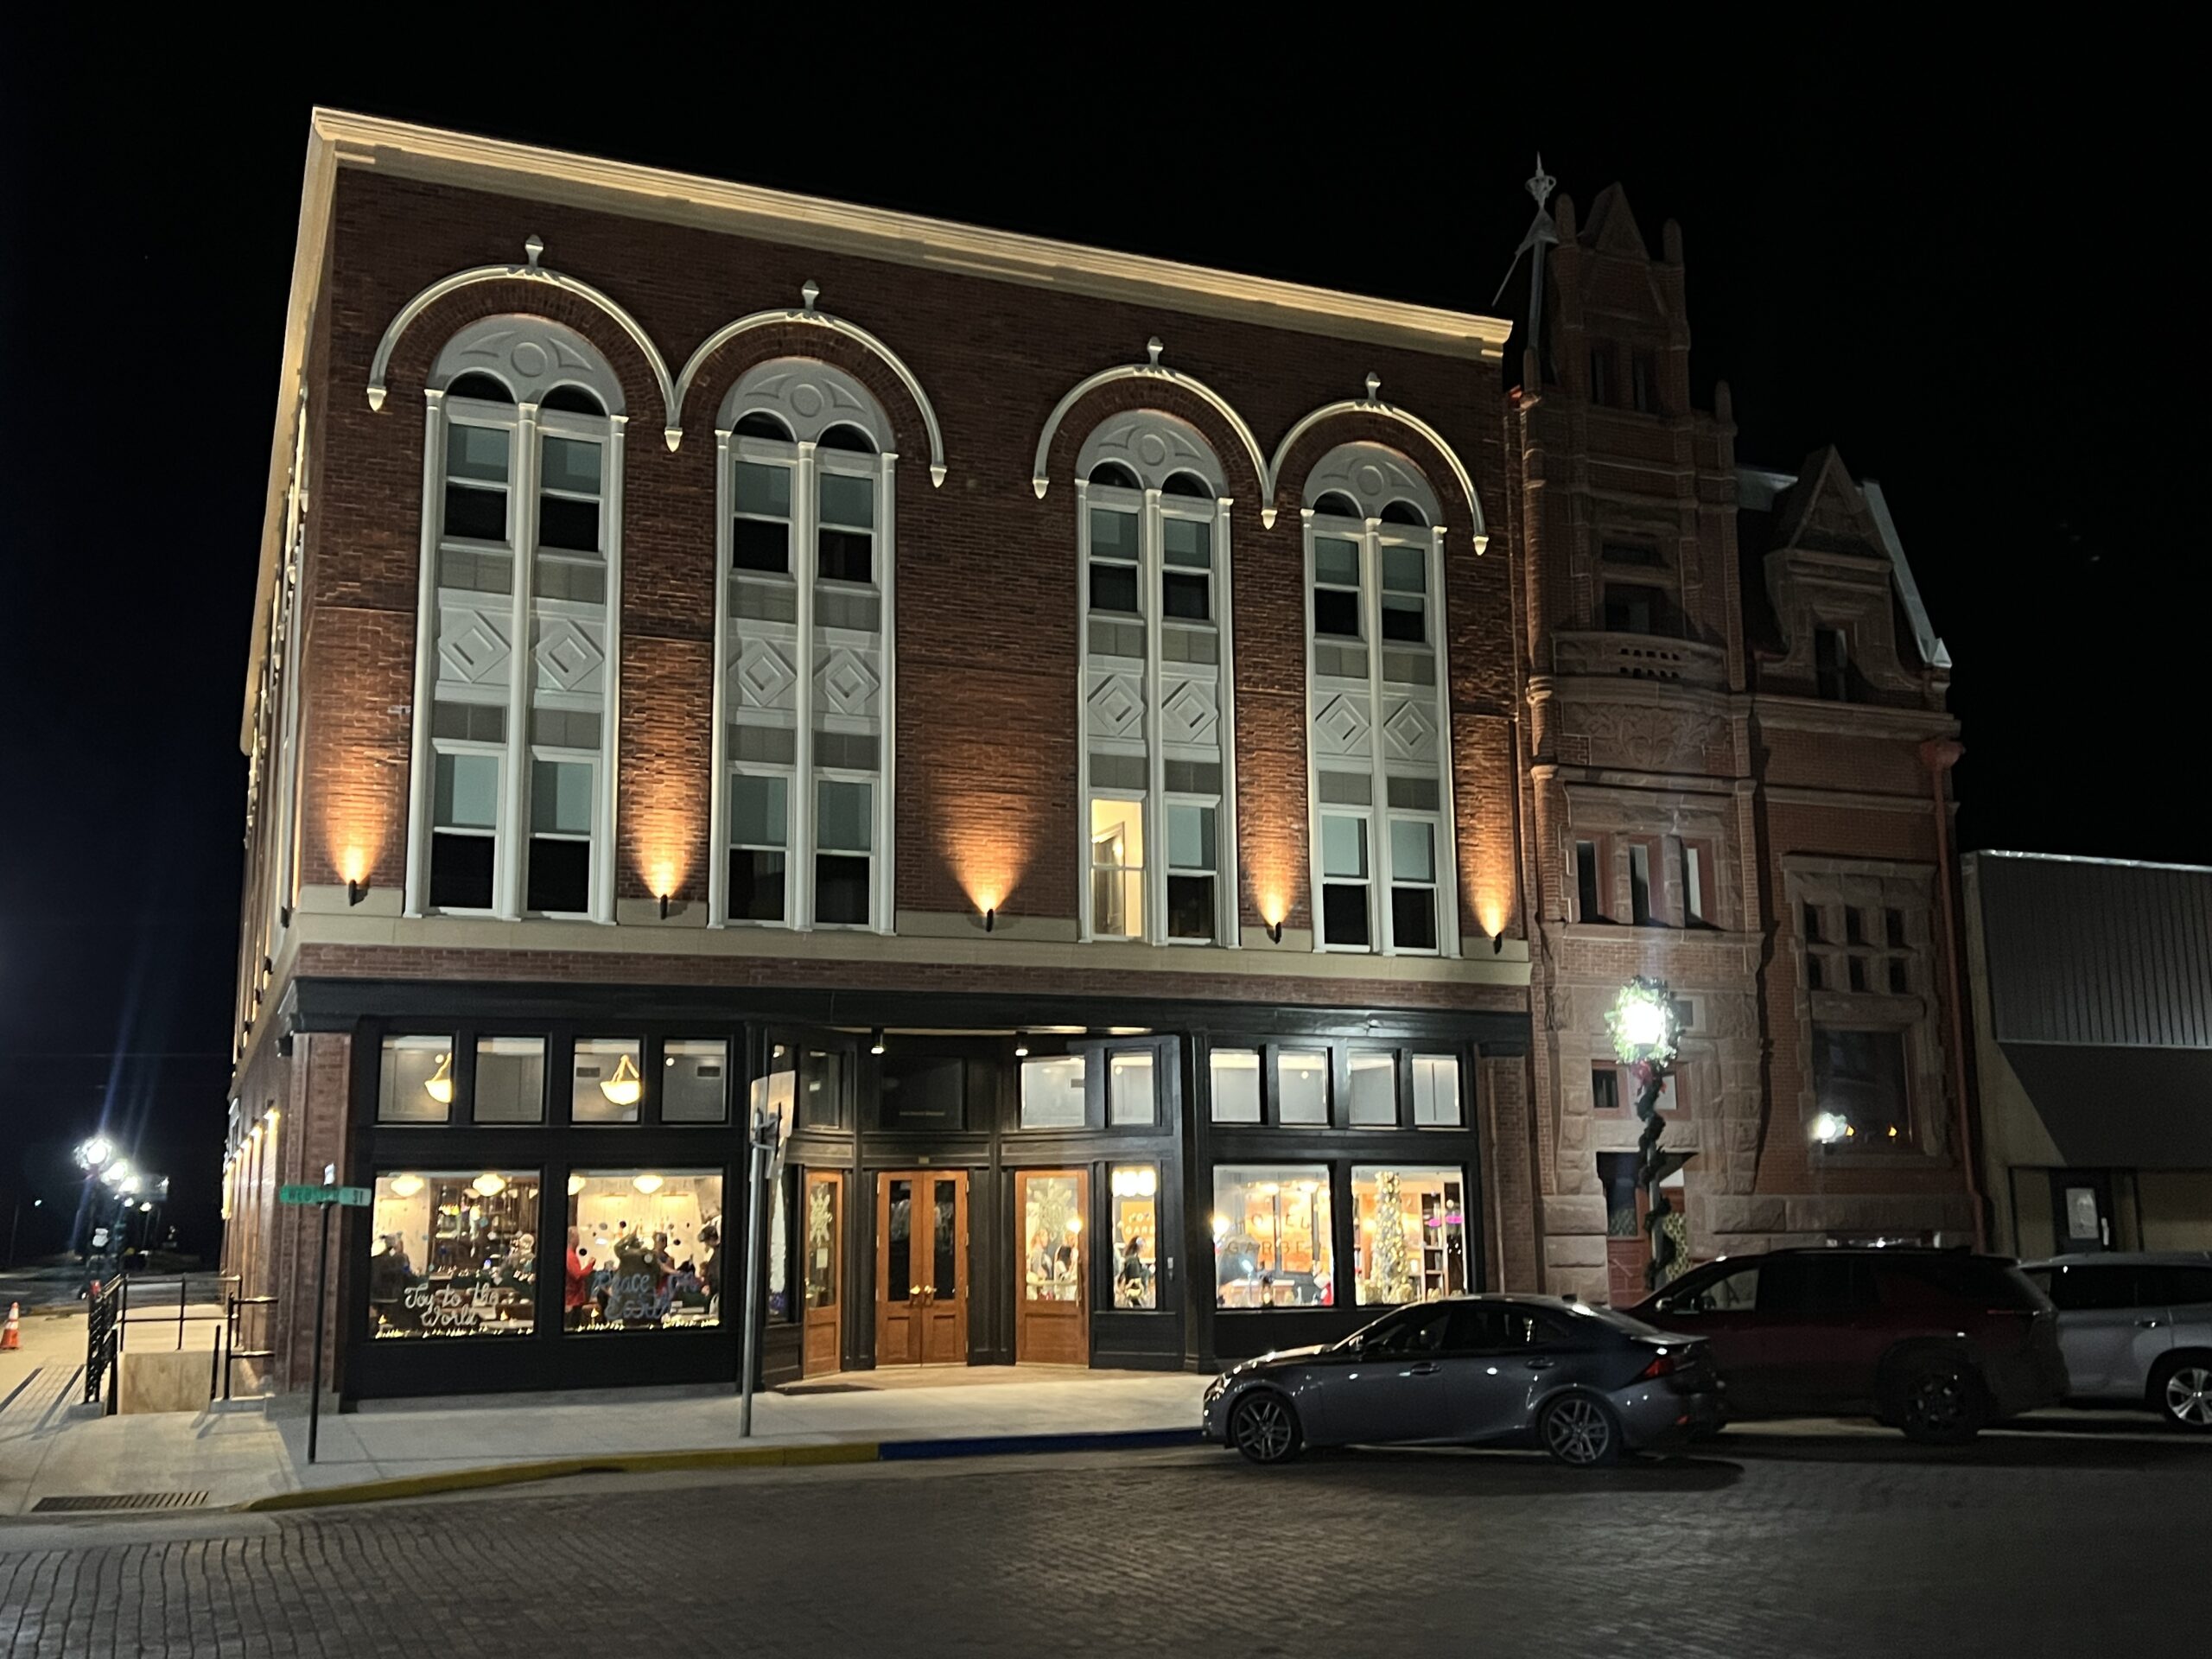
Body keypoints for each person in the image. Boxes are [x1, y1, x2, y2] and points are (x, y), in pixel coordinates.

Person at [563, 1227, 592, 1330]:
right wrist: (590, 1265)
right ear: (572, 1239)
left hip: (573, 1299)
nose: (579, 1239)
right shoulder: (570, 1256)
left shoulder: (570, 1255)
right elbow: (578, 1275)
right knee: (572, 1327)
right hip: (572, 1300)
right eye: (577, 1236)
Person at [1116, 1236, 1150, 1307]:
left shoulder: (1129, 1258)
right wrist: (1148, 1272)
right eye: (1143, 1246)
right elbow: (1135, 1279)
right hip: (1134, 1296)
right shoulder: (1133, 1260)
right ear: (1139, 1247)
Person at [697, 1225, 722, 1322]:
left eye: (706, 1241)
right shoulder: (718, 1252)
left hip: (718, 1294)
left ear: (711, 1239)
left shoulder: (718, 1254)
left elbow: (717, 1275)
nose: (706, 1244)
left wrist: (710, 1287)